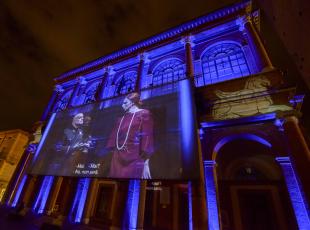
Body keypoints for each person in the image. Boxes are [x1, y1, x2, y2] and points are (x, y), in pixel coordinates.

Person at [106, 92, 154, 179]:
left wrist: (146, 154)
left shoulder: (144, 114)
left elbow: (147, 134)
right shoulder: (121, 119)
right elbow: (113, 136)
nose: (122, 105)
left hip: (135, 155)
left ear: (132, 103)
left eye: (125, 103)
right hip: (118, 156)